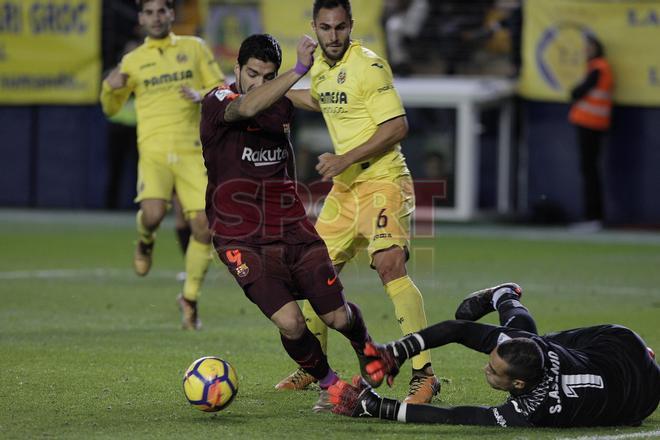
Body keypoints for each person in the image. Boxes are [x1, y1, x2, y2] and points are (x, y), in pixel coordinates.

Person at [200, 33, 374, 411]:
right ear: (237, 70)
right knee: (292, 323)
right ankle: (332, 385)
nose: (259, 82)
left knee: (336, 316)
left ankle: (370, 351)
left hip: (292, 229)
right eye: (252, 73)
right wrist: (297, 70)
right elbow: (244, 108)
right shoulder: (217, 101)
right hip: (240, 237)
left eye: (268, 76)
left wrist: (349, 79)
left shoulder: (281, 105)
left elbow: (319, 102)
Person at [277, 0, 439, 404]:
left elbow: (398, 125)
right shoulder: (317, 66)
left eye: (340, 27)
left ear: (352, 25)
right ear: (314, 26)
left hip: (383, 180)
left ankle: (425, 375)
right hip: (345, 190)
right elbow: (323, 99)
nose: (333, 36)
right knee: (311, 274)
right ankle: (312, 368)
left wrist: (344, 158)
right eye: (326, 28)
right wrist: (274, 95)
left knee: (389, 264)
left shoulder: (370, 64)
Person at [328, 282, 660, 427]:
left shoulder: (530, 411)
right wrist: (395, 353)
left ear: (517, 384)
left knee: (531, 336)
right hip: (624, 355)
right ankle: (504, 294)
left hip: (639, 392)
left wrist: (378, 408)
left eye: (493, 371)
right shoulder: (527, 352)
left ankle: (505, 295)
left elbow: (455, 416)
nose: (486, 369)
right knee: (527, 338)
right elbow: (458, 329)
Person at [100, 0, 224, 330]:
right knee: (153, 214)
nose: (156, 18)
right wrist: (108, 90)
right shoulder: (133, 60)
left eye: (161, 11)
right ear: (141, 19)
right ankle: (145, 240)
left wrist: (201, 94)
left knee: (204, 227)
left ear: (172, 14)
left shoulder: (194, 48)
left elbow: (221, 87)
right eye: (149, 12)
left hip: (190, 151)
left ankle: (190, 298)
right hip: (154, 153)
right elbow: (111, 108)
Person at [568, 35, 614, 230]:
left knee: (590, 172)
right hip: (593, 124)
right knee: (589, 171)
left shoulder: (598, 68)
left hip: (591, 124)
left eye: (588, 46)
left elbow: (577, 92)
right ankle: (593, 217)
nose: (585, 50)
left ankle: (593, 217)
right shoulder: (597, 67)